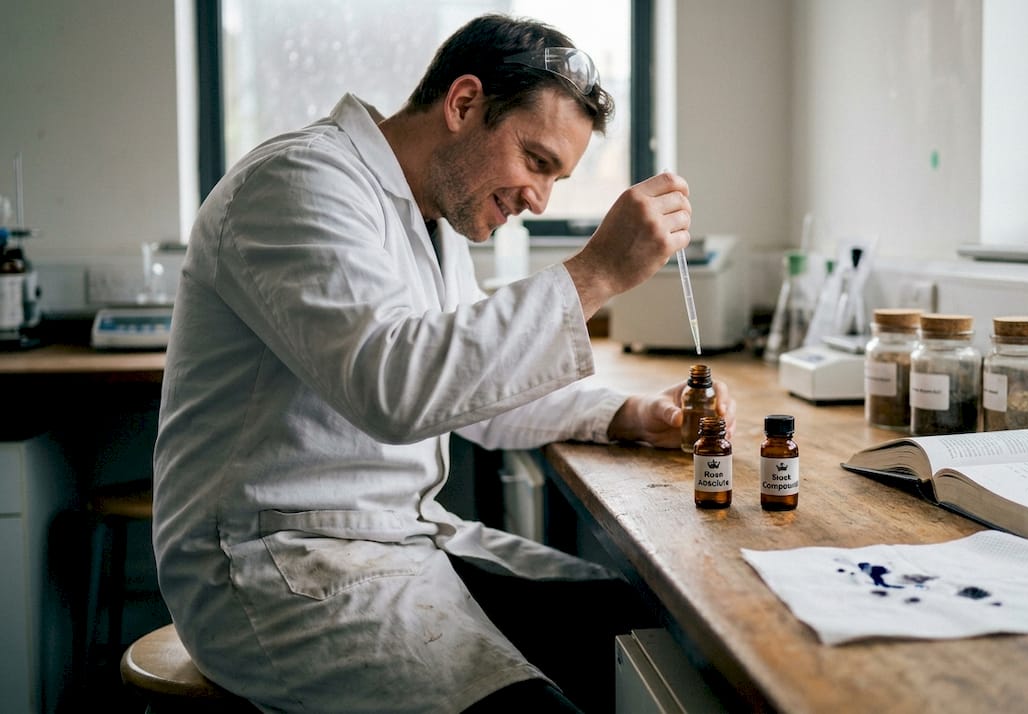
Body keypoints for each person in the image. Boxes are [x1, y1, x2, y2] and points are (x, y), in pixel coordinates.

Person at [151, 13, 735, 714]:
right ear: (463, 104)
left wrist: (633, 415)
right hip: (278, 567)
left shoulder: (428, 217)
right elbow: (397, 391)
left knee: (634, 622)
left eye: (556, 178)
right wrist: (596, 275)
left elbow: (479, 386)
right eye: (537, 162)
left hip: (393, 543)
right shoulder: (297, 185)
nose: (538, 199)